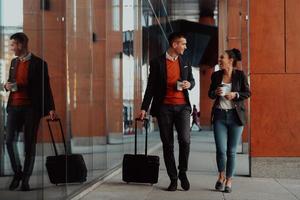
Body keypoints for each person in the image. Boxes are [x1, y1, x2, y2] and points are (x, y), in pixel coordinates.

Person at [139, 32, 195, 191]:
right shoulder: (157, 62)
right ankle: (173, 178)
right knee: (167, 144)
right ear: (174, 44)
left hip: (183, 106)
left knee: (185, 140)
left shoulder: (185, 61)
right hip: (164, 108)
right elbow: (150, 88)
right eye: (183, 44)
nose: (185, 47)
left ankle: (182, 172)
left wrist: (189, 85)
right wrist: (144, 108)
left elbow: (192, 80)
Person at [4, 32, 56, 191]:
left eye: (13, 45)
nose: (11, 48)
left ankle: (25, 179)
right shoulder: (13, 62)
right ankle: (18, 172)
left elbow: (45, 87)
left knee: (29, 145)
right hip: (13, 107)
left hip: (31, 109)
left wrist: (51, 108)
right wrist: (7, 86)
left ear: (21, 44)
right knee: (8, 141)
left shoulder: (39, 64)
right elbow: (13, 83)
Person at [208, 48, 250, 193]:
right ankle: (221, 176)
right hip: (219, 115)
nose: (219, 60)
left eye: (222, 58)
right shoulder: (216, 75)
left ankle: (229, 180)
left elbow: (247, 92)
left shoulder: (240, 75)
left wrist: (235, 94)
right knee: (221, 149)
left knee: (231, 151)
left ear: (230, 60)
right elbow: (210, 94)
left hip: (235, 117)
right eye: (220, 58)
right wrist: (216, 92)